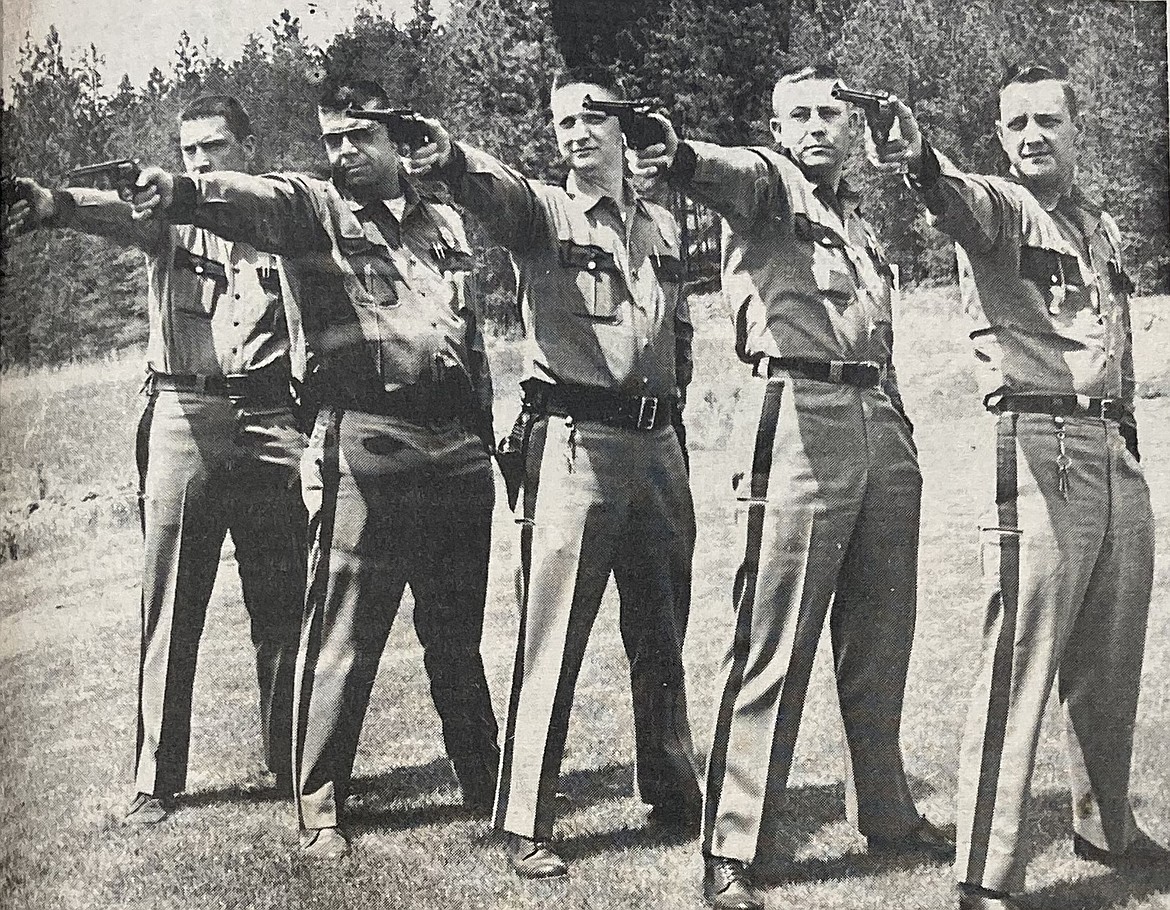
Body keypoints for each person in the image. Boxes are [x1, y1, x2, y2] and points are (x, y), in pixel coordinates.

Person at [131, 77, 502, 859]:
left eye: (356, 137)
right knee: (343, 635)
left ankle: (486, 781)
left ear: (396, 140)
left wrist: (491, 440)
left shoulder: (445, 222)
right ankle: (322, 810)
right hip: (365, 439)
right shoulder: (313, 211)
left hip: (454, 447)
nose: (341, 152)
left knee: (455, 631)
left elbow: (469, 336)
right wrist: (181, 188)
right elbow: (245, 200)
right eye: (330, 138)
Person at [633, 64, 955, 910]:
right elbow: (724, 169)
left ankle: (884, 812)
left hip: (877, 412)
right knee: (772, 637)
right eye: (798, 115)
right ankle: (735, 845)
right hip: (799, 408)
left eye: (830, 114)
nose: (816, 126)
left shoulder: (855, 219)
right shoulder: (770, 187)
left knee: (882, 636)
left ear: (852, 129)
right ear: (777, 128)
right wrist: (678, 152)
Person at [870, 63, 1170, 910]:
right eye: (1015, 124)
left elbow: (1114, 335)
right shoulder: (1001, 211)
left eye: (1047, 120)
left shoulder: (1098, 225)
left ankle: (1104, 826)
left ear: (1079, 129)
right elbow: (953, 199)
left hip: (1112, 449)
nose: (1031, 135)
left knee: (1110, 662)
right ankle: (986, 875)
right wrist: (920, 158)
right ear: (1000, 139)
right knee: (1018, 664)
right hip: (1040, 446)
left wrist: (1134, 443)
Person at [409, 66, 703, 879]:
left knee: (661, 630)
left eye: (591, 117)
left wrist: (674, 403)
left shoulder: (666, 229)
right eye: (562, 119)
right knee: (555, 631)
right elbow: (493, 191)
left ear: (622, 128)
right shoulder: (544, 212)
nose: (575, 131)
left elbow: (679, 330)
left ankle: (673, 788)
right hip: (576, 443)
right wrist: (450, 160)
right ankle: (527, 817)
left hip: (658, 448)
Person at [5, 95, 307, 824]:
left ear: (247, 145)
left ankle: (291, 761)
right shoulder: (165, 215)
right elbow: (106, 210)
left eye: (215, 147)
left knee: (284, 603)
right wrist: (49, 203)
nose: (201, 162)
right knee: (171, 604)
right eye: (190, 150)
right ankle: (156, 779)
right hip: (184, 413)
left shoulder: (277, 220)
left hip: (271, 416)